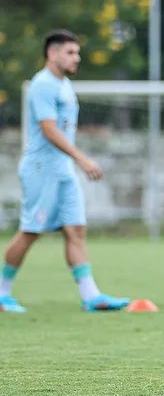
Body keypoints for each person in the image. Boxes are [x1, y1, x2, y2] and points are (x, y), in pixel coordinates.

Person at [0, 30, 130, 314]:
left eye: (77, 52)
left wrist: (74, 162)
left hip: (63, 169)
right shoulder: (42, 85)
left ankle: (91, 296)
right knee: (31, 230)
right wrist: (82, 159)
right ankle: (2, 292)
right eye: (70, 52)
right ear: (52, 53)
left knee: (75, 230)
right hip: (41, 169)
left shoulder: (65, 85)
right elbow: (48, 129)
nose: (77, 57)